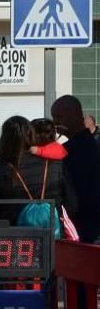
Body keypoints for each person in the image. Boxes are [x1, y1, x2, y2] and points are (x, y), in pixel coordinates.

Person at [0, 115, 72, 227]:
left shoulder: (3, 169)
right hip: (52, 236)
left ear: (4, 140)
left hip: (15, 237)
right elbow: (72, 203)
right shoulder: (55, 164)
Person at [51, 95, 99, 243]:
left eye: (58, 117)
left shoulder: (68, 151)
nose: (55, 123)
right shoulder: (93, 145)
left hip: (80, 230)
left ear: (74, 114)